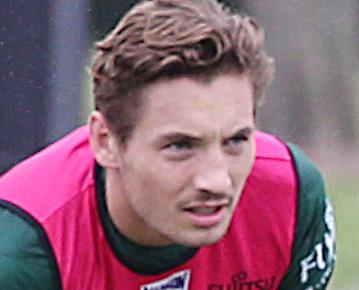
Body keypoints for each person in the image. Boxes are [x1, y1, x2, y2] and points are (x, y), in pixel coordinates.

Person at [0, 0, 336, 289]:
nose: (216, 181)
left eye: (236, 140)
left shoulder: (289, 197)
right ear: (105, 142)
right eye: (180, 146)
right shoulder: (19, 254)